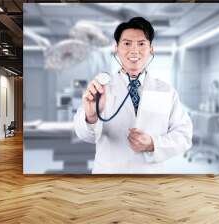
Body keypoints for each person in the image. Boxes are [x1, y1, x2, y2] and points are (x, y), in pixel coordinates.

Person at [73, 17, 193, 174]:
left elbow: (184, 135)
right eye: (127, 43)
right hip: (109, 176)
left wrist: (153, 143)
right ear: (116, 48)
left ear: (151, 49)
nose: (134, 50)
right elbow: (83, 134)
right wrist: (91, 117)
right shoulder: (100, 87)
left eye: (142, 44)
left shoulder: (166, 91)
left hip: (150, 176)